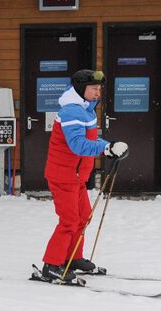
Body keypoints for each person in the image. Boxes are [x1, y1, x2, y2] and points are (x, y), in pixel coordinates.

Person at [41, 69, 128, 282]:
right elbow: (78, 145)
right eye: (94, 89)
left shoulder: (87, 110)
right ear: (81, 89)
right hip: (63, 175)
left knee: (82, 217)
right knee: (69, 220)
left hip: (77, 176)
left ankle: (73, 257)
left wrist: (110, 146)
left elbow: (90, 140)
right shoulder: (72, 112)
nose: (98, 93)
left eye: (99, 89)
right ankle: (52, 265)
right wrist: (106, 149)